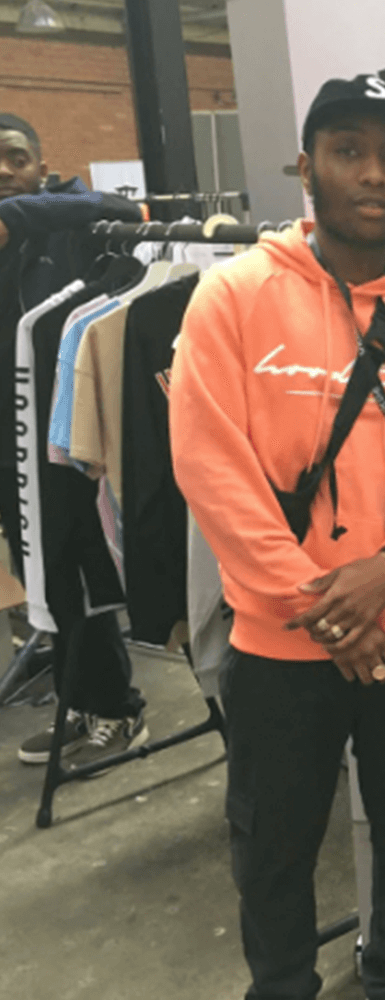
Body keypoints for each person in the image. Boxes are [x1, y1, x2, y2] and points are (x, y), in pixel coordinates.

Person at [170, 75, 385, 1000]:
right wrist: (329, 611)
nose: (373, 174)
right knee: (274, 844)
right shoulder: (230, 298)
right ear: (306, 167)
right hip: (281, 642)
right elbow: (212, 471)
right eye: (349, 151)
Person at [0, 112, 147, 769]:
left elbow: (127, 211)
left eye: (16, 157)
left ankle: (118, 710)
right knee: (44, 581)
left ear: (41, 165)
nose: (5, 171)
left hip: (63, 444)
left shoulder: (72, 227)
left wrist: (22, 214)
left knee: (80, 582)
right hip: (12, 446)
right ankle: (81, 703)